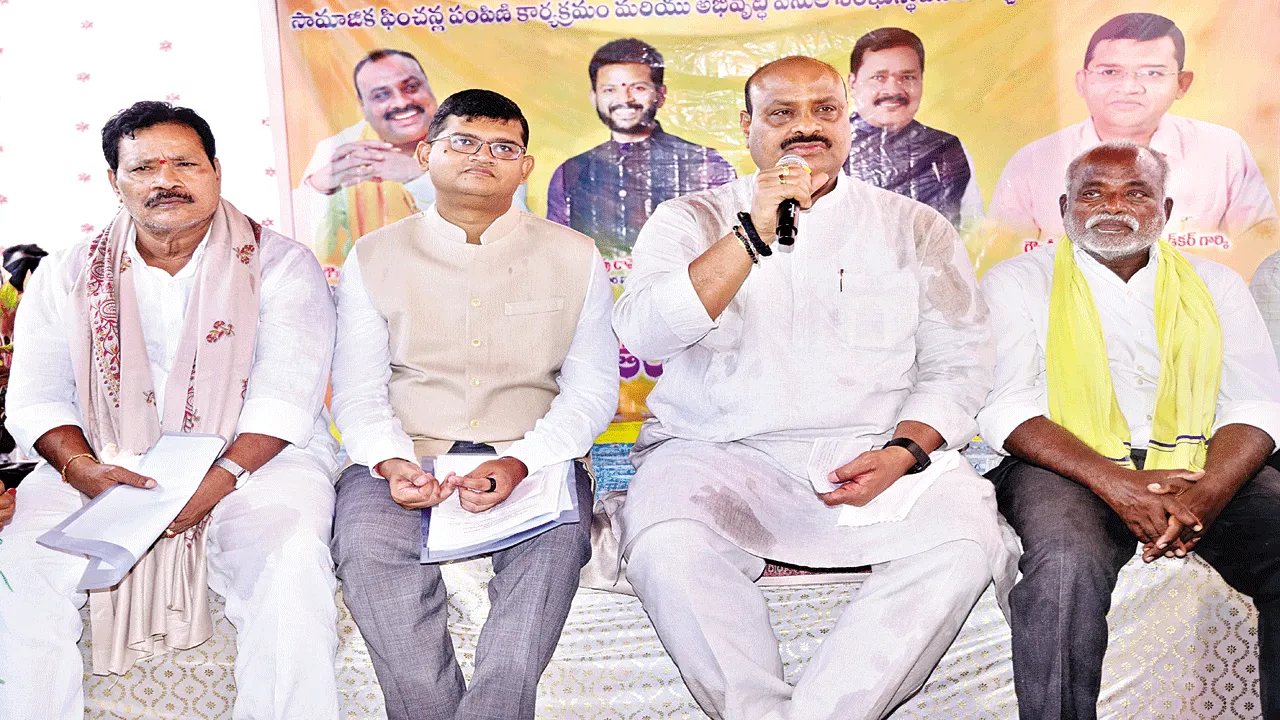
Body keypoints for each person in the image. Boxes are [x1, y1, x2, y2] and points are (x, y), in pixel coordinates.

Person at [611, 56, 1017, 720]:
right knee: (665, 539)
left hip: (871, 452)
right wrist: (752, 230)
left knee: (967, 540)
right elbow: (647, 335)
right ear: (746, 126)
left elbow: (959, 364)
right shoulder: (688, 218)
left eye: (824, 110)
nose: (807, 127)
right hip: (717, 453)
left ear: (848, 120)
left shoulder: (914, 226)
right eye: (782, 113)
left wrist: (902, 453)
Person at [0, 101, 342, 719]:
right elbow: (37, 395)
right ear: (115, 181)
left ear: (215, 170)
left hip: (252, 464)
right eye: (143, 168)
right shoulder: (66, 274)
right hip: (104, 463)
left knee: (291, 562)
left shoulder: (280, 264)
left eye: (185, 163)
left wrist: (211, 485)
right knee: (19, 568)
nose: (166, 181)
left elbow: (285, 397)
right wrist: (81, 470)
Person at [329, 89, 617, 720]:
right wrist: (391, 463)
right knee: (368, 550)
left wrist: (523, 461)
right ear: (426, 154)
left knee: (552, 557)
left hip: (531, 456)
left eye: (503, 148)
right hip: (407, 451)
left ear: (525, 167)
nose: (483, 157)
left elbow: (593, 390)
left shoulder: (575, 256)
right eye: (463, 141)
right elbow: (357, 391)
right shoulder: (374, 256)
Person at [979, 141, 1280, 720]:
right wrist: (1118, 483)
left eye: (1135, 193)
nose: (1112, 207)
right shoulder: (1016, 282)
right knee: (1065, 567)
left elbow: (1256, 401)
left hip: (1198, 464)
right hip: (1066, 467)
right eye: (1093, 193)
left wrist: (1210, 493)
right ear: (1064, 207)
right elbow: (1004, 405)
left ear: (1164, 210)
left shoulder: (1215, 284)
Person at [988, 12, 1278, 269]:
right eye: (1110, 72)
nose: (1128, 87)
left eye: (1151, 73)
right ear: (1082, 81)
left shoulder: (1222, 150)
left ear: (1182, 83)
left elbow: (1260, 249)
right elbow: (1003, 264)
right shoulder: (1034, 161)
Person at [547, 38, 736, 420]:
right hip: (603, 348)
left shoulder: (706, 164)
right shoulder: (572, 173)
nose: (624, 99)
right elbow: (559, 271)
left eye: (637, 87)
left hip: (694, 346)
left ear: (660, 95)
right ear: (594, 96)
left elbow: (733, 262)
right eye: (610, 89)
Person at [293, 48, 528, 283]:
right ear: (362, 105)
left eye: (411, 87)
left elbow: (515, 237)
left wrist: (417, 177)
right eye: (381, 95)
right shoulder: (340, 151)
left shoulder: (485, 141)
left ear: (429, 88)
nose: (402, 102)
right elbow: (307, 245)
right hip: (373, 288)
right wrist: (318, 188)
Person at [845, 27, 983, 231]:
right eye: (879, 77)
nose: (893, 89)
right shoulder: (829, 147)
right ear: (853, 83)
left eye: (907, 77)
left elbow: (973, 231)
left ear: (921, 81)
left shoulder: (947, 149)